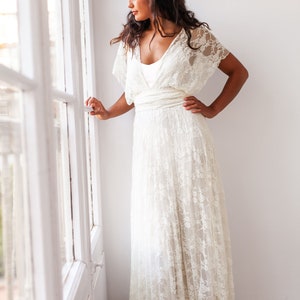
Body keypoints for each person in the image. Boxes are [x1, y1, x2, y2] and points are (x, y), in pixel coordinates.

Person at [86, 0, 248, 298]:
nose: (129, 3)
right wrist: (107, 112)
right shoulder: (132, 41)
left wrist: (212, 109)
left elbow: (238, 72)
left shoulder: (193, 36)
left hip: (187, 138)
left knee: (193, 223)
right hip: (148, 145)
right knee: (156, 228)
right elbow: (134, 94)